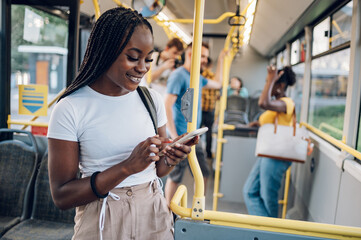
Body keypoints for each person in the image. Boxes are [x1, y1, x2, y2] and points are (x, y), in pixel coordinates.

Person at [47, 7, 198, 240]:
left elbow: (158, 170)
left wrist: (171, 157)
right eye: (133, 58)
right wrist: (127, 167)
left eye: (148, 59)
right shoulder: (69, 108)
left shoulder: (151, 100)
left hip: (153, 213)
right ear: (106, 52)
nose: (143, 68)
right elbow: (62, 196)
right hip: (102, 215)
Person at [164, 42, 226, 205]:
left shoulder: (197, 77)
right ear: (191, 55)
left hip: (194, 135)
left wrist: (221, 60)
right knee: (175, 176)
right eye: (203, 56)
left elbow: (218, 84)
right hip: (181, 135)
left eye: (206, 56)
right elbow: (167, 105)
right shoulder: (178, 75)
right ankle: (167, 213)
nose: (205, 60)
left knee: (204, 173)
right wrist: (174, 135)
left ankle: (198, 209)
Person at [243, 65, 296, 218]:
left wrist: (271, 79)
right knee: (249, 191)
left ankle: (271, 232)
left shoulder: (287, 103)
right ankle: (265, 229)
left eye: (269, 83)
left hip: (277, 156)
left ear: (279, 85)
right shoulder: (278, 104)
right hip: (267, 153)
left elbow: (263, 103)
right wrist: (257, 124)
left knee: (268, 198)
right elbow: (271, 121)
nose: (266, 86)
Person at [201, 57, 220, 160]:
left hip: (200, 108)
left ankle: (195, 151)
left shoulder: (199, 75)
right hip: (210, 108)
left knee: (196, 132)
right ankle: (208, 154)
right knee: (209, 132)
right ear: (211, 65)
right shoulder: (213, 77)